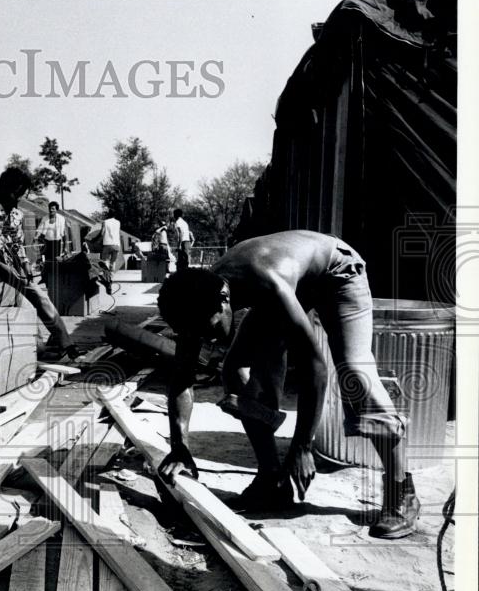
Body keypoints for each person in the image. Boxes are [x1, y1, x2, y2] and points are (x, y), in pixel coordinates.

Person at [156, 230, 419, 539]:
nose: (208, 338)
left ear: (225, 300)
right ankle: (272, 482)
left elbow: (314, 367)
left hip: (337, 274)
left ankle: (403, 492)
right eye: (197, 332)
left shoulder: (265, 282)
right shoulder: (195, 301)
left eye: (211, 328)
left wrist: (302, 447)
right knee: (234, 370)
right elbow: (182, 378)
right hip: (292, 283)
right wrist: (179, 447)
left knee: (354, 372)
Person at [0, 168, 79, 360]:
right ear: (6, 189)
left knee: (41, 298)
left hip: (15, 268)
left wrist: (25, 266)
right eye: (17, 193)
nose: (18, 198)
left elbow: (18, 244)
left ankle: (66, 343)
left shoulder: (17, 215)